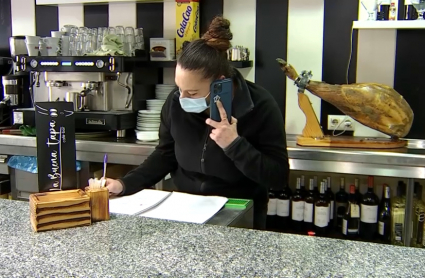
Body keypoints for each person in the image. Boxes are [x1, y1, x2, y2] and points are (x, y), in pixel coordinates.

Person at [106, 16, 289, 230]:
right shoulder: (176, 101)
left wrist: (234, 144)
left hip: (239, 211)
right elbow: (165, 154)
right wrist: (124, 184)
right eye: (179, 88)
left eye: (192, 93)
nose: (182, 97)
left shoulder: (260, 105)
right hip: (187, 208)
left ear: (220, 83)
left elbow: (278, 176)